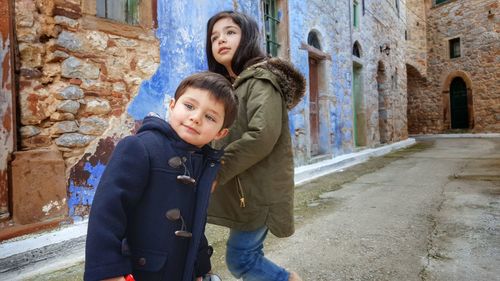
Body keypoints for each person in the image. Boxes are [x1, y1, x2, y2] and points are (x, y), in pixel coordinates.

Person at [84, 71, 238, 281]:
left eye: (210, 117)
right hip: (143, 272)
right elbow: (107, 213)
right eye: (189, 106)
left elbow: (195, 223)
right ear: (172, 105)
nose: (195, 118)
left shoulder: (203, 163)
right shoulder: (140, 147)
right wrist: (109, 272)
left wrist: (200, 268)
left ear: (221, 133)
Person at [205, 11, 306, 281]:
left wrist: (219, 168)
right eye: (214, 37)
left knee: (242, 259)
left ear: (247, 37)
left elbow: (263, 135)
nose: (221, 40)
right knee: (242, 256)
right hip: (244, 188)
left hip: (259, 190)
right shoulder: (232, 87)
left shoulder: (261, 81)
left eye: (230, 32)